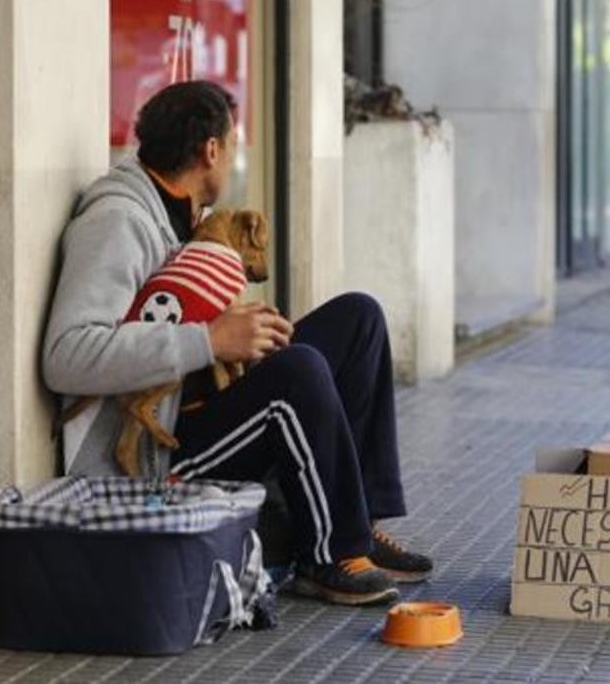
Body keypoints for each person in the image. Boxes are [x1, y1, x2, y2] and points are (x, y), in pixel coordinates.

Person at [42, 81, 432, 606]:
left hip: (194, 399)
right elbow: (66, 356)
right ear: (210, 150)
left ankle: (360, 520)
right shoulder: (117, 222)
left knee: (358, 319)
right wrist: (209, 339)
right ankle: (328, 555)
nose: (235, 156)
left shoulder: (184, 216)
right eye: (233, 143)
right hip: (153, 455)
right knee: (298, 372)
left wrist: (236, 331)